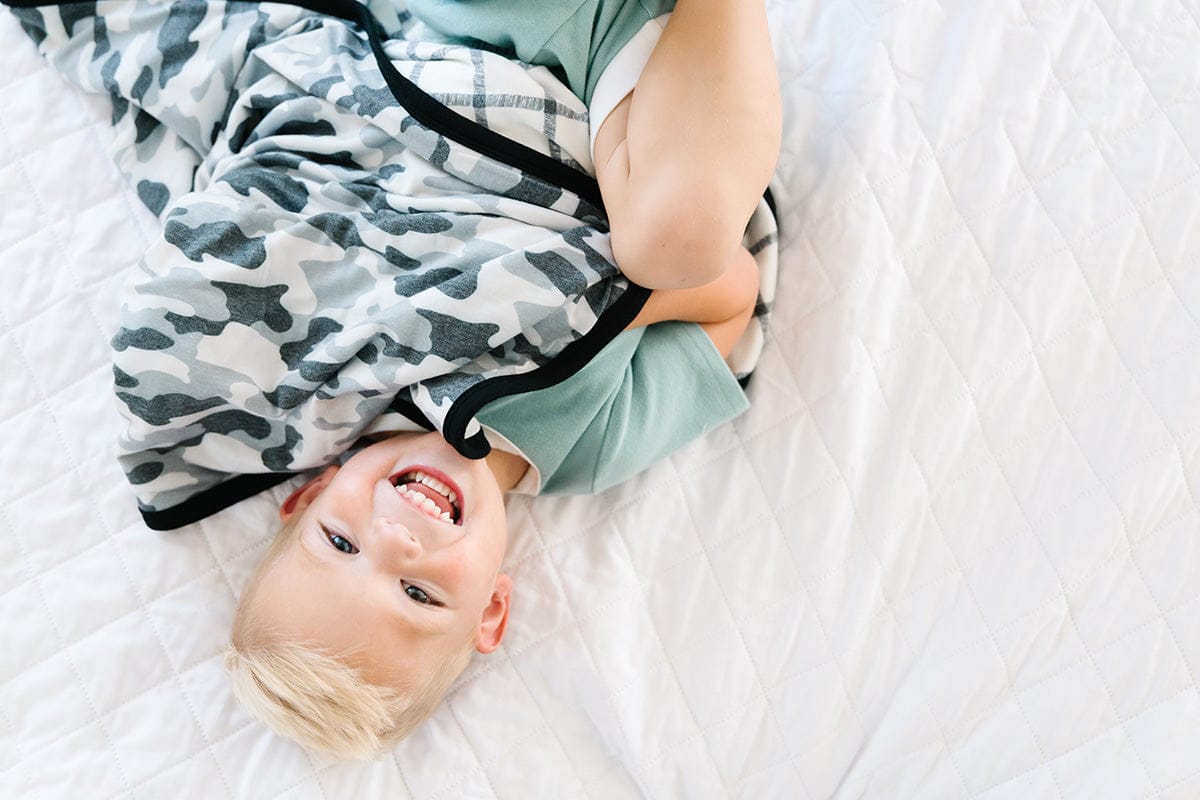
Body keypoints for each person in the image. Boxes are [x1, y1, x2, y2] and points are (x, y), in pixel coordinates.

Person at [7, 0, 779, 759]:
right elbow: (730, 299)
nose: (397, 539)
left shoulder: (326, 382)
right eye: (418, 593)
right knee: (675, 240)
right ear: (491, 608)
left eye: (341, 541)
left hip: (449, 49)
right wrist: (584, 304)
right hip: (614, 87)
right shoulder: (587, 446)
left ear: (308, 496)